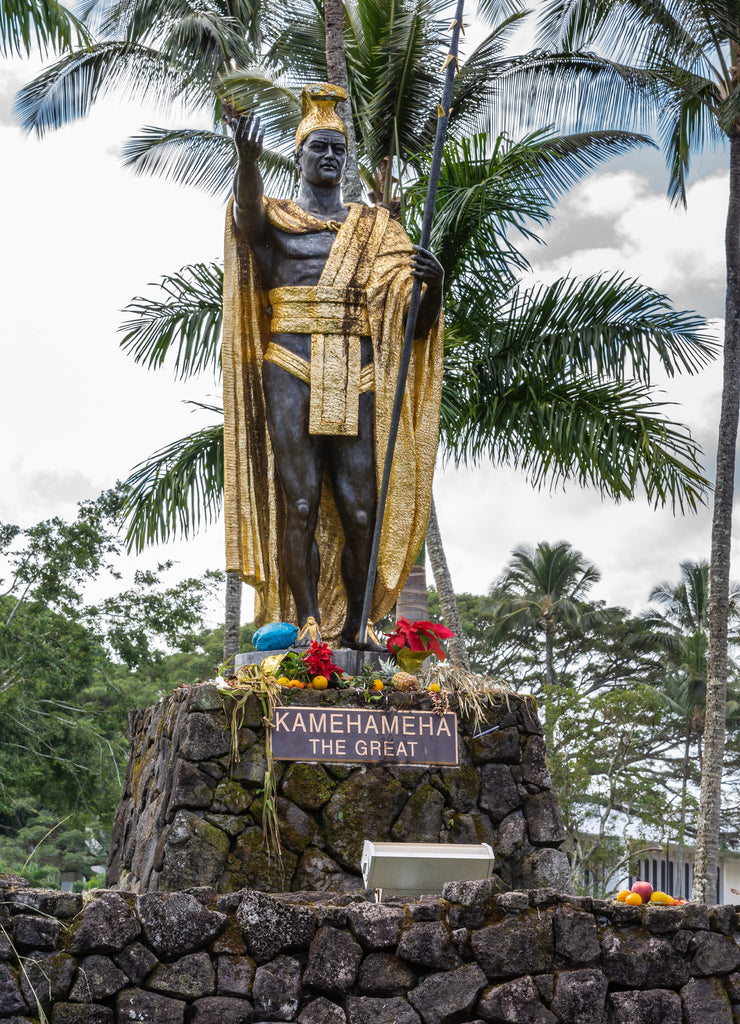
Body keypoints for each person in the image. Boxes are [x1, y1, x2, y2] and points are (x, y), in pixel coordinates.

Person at [222, 83, 444, 648]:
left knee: (362, 510)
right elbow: (247, 219)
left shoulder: (377, 231)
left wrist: (433, 288)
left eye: (337, 150)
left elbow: (412, 325)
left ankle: (360, 624)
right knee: (298, 501)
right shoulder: (275, 218)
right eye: (318, 147)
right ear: (297, 156)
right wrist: (248, 163)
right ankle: (310, 620)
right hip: (290, 362)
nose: (328, 157)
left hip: (358, 370)